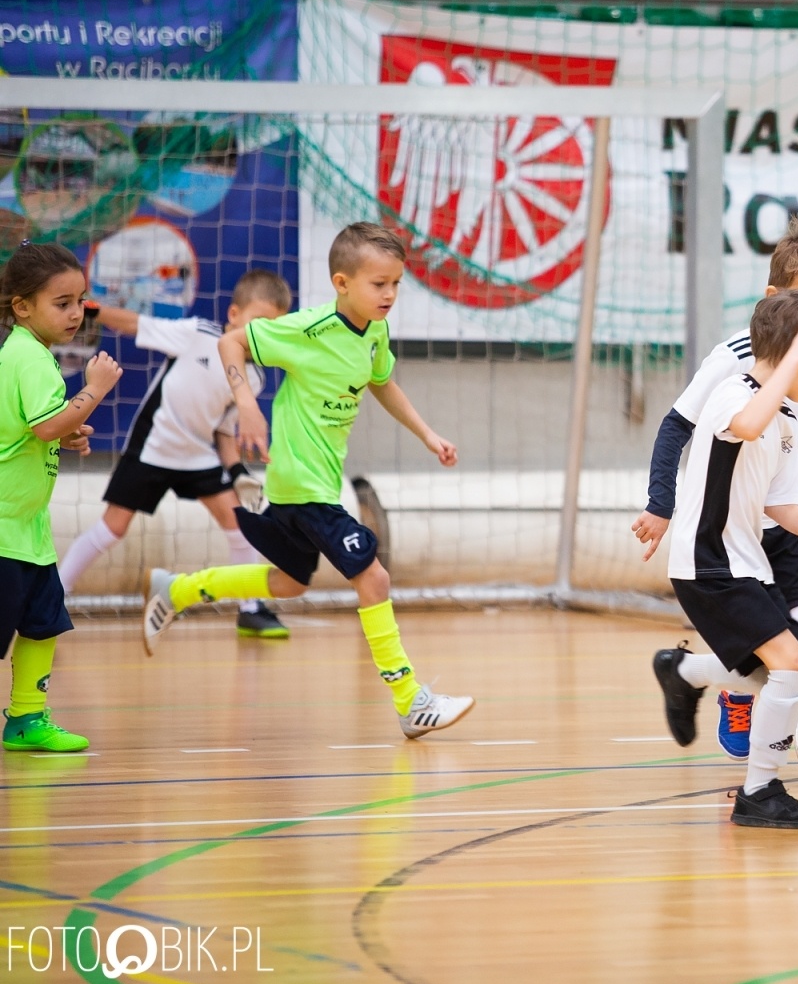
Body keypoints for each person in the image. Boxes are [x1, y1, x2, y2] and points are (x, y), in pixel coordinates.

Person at [142, 223, 474, 738]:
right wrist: (248, 407)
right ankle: (411, 701)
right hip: (303, 485)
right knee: (374, 578)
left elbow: (381, 383)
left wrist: (428, 435)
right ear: (342, 283)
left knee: (290, 583)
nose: (388, 295)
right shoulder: (307, 328)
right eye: (377, 284)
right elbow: (231, 345)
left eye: (395, 284)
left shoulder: (375, 331)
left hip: (306, 485)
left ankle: (180, 589)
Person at [633, 219, 798, 778]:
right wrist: (660, 502)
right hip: (726, 533)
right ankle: (745, 738)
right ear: (777, 302)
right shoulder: (736, 367)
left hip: (779, 515)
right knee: (777, 656)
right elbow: (683, 425)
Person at [58, 270, 294, 639]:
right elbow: (138, 324)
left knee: (242, 528)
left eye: (275, 327)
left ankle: (250, 608)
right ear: (234, 315)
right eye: (260, 321)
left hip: (198, 456)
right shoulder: (199, 335)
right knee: (111, 529)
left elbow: (223, 430)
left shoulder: (257, 378)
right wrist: (91, 310)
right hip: (153, 447)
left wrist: (237, 474)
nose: (265, 333)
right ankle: (54, 596)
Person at [1, 241, 122, 752]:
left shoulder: (36, 355)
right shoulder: (27, 355)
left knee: (42, 623)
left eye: (81, 301)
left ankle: (26, 718)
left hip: (29, 529)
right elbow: (47, 424)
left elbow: (39, 428)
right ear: (22, 307)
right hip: (4, 528)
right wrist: (93, 390)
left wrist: (68, 431)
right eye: (62, 303)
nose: (76, 314)